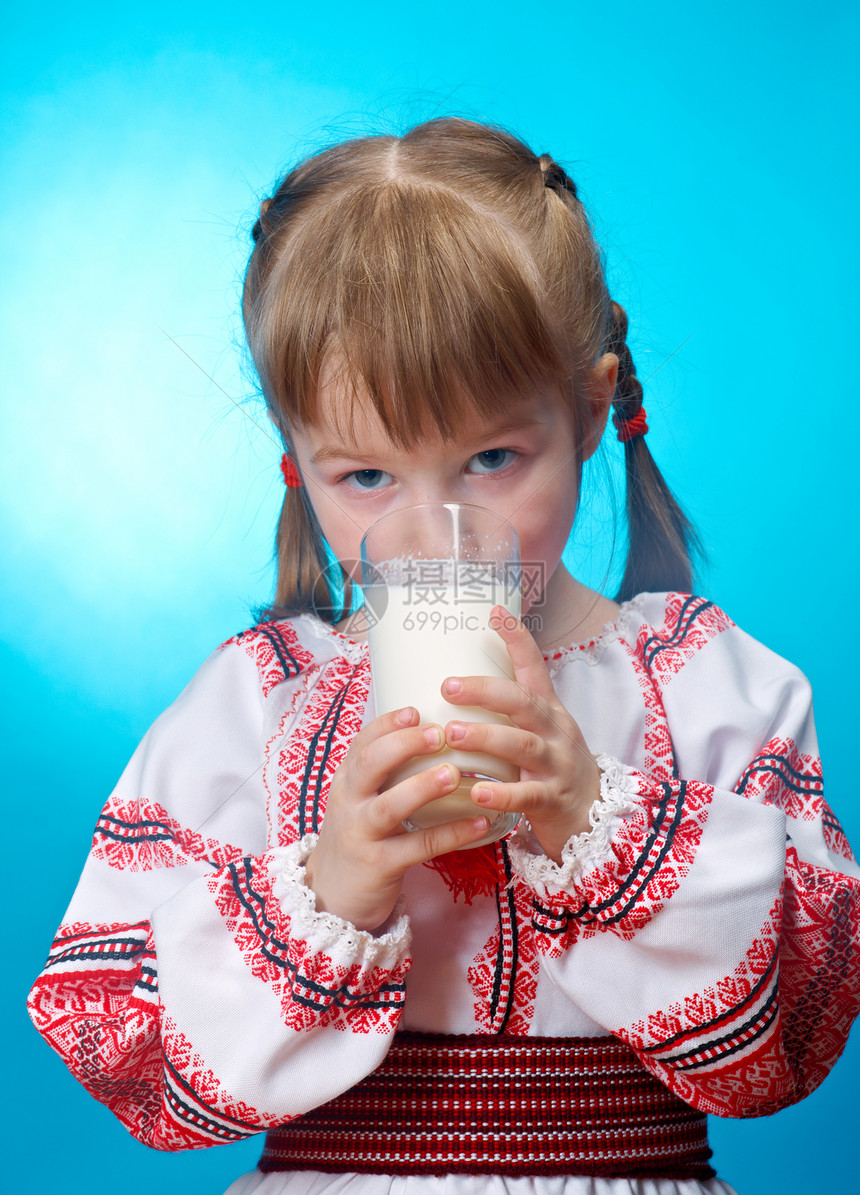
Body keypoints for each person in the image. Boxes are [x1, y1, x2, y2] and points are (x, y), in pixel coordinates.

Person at [28, 117, 860, 1195]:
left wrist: (594, 818)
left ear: (592, 407)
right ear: (297, 462)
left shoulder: (713, 687)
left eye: (488, 458)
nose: (430, 533)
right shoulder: (255, 705)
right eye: (365, 477)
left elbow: (789, 1044)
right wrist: (330, 888)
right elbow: (123, 1049)